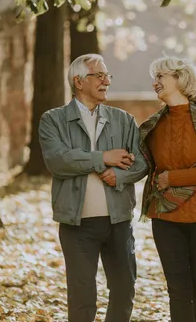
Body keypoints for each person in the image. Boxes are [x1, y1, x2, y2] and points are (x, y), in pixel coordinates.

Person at [38, 53, 148, 322]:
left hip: (118, 221)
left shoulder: (124, 120)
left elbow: (141, 162)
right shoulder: (52, 120)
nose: (105, 81)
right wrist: (103, 157)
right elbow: (58, 160)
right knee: (82, 297)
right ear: (78, 81)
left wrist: (119, 177)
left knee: (124, 290)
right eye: (98, 75)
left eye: (107, 75)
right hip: (77, 226)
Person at [139, 56, 196, 322]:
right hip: (166, 218)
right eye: (154, 77)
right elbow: (142, 165)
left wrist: (171, 179)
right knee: (178, 292)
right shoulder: (152, 125)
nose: (155, 82)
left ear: (179, 78)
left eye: (160, 77)